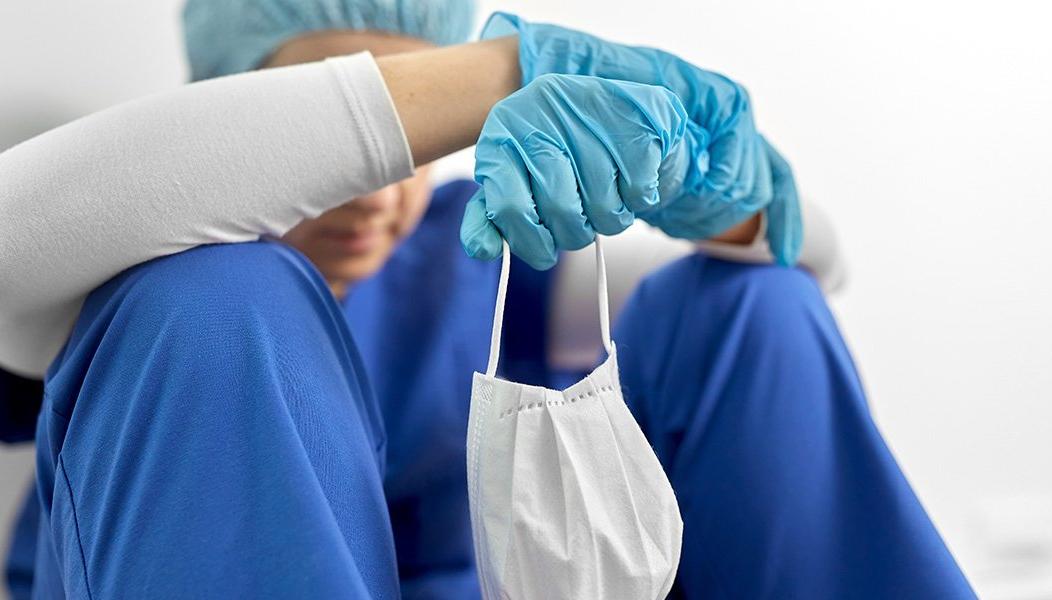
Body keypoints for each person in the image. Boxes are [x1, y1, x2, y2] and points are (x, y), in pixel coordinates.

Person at [0, 3, 976, 599]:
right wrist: (513, 71)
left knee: (751, 304)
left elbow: (806, 275)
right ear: (241, 111)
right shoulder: (116, 267)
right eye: (357, 140)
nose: (373, 196)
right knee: (214, 294)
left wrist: (718, 187)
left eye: (411, 149)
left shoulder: (478, 245)